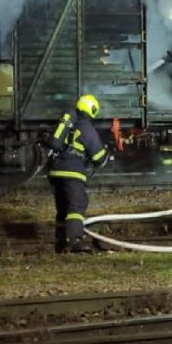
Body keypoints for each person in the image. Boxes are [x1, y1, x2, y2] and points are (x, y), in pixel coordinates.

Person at [45, 94, 110, 254]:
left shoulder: (68, 123)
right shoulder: (87, 128)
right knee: (77, 204)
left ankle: (61, 242)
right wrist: (108, 152)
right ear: (92, 110)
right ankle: (74, 241)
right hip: (72, 171)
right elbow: (98, 158)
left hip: (55, 171)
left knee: (63, 209)